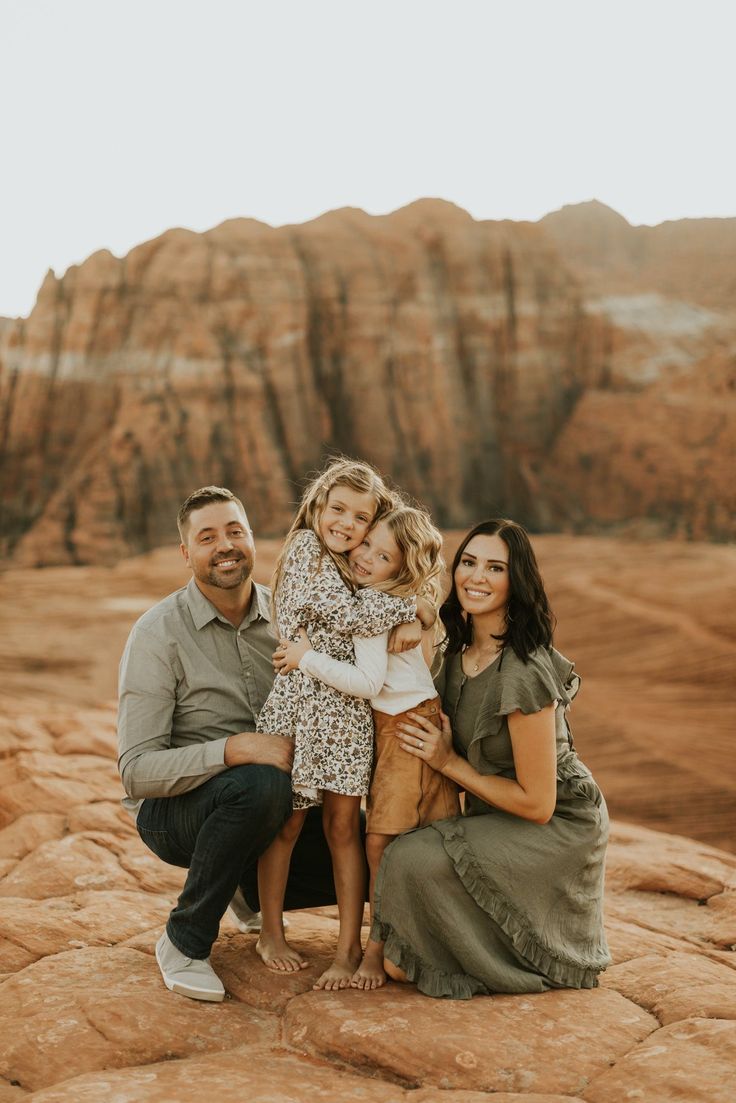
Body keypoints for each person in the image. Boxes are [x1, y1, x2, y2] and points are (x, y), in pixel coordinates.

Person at [371, 519, 611, 999]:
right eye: (469, 562)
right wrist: (410, 615)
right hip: (493, 814)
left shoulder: (521, 670)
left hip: (554, 825)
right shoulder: (456, 654)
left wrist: (449, 764)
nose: (476, 577)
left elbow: (538, 803)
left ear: (515, 581)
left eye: (495, 568)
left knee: (410, 859)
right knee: (382, 838)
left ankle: (516, 959)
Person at [117, 485, 338, 1003]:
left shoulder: (291, 616)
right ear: (186, 552)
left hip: (280, 808)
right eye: (208, 536)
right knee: (258, 784)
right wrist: (234, 749)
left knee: (379, 857)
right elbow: (136, 772)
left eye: (235, 531)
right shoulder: (158, 634)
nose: (225, 546)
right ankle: (184, 940)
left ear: (252, 538)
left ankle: (245, 887)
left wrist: (414, 616)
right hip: (176, 814)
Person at [255, 460, 436, 990]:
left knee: (342, 828)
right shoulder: (310, 549)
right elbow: (355, 618)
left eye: (360, 517)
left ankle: (351, 943)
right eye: (338, 509)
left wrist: (419, 605)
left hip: (346, 715)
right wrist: (415, 608)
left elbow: (369, 614)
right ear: (316, 507)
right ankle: (270, 930)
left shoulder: (358, 567)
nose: (346, 524)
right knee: (286, 824)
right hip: (298, 701)